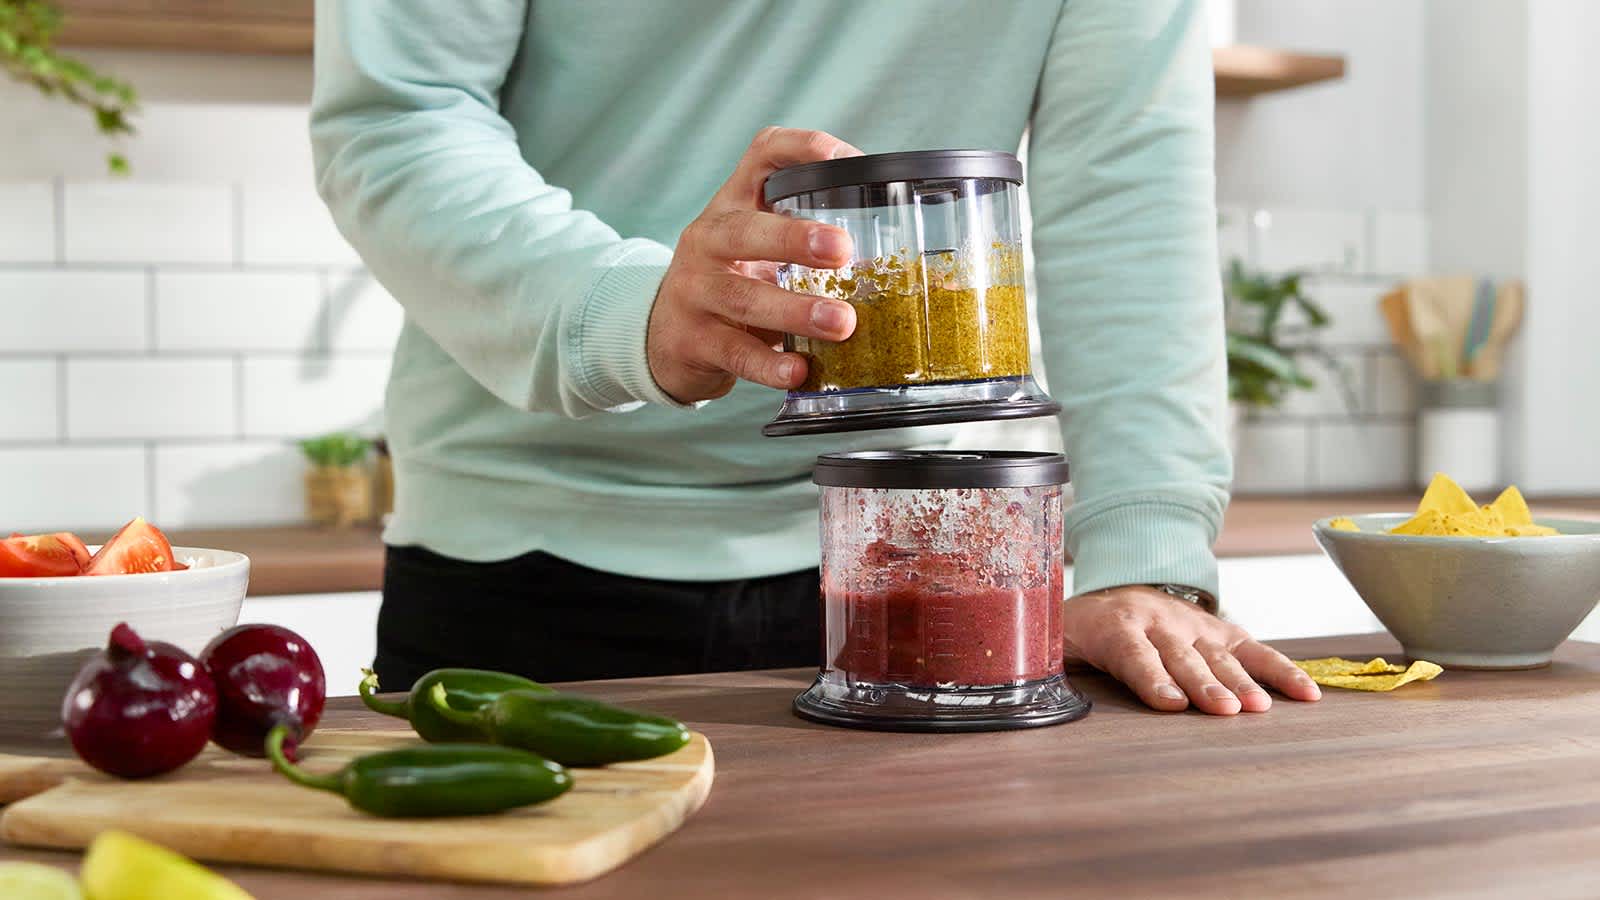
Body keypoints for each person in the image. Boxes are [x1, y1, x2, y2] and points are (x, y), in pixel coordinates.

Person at [310, 0, 1323, 716]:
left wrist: (1145, 553)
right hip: (525, 547)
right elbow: (398, 117)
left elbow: (1127, 193)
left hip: (927, 547)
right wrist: (628, 313)